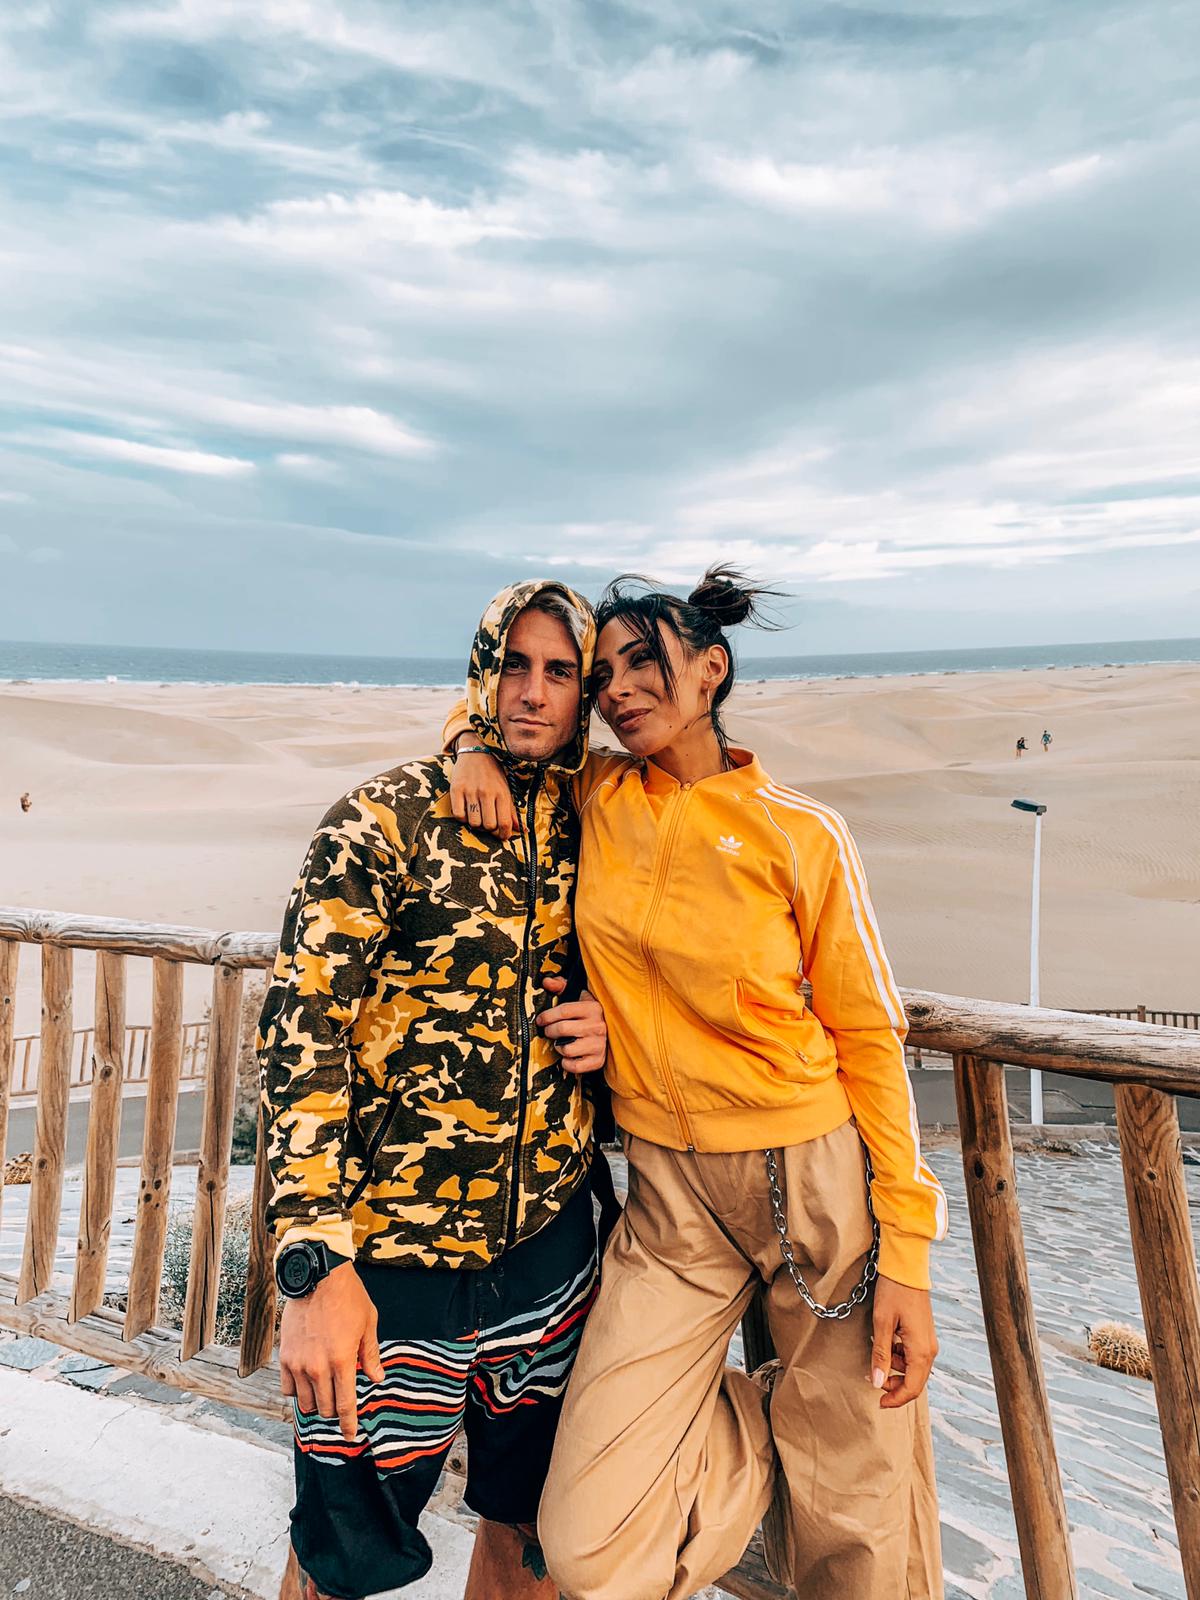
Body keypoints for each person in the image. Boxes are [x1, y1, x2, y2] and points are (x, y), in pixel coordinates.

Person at [447, 567, 948, 1600]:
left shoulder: (799, 831)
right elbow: (504, 716)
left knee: (856, 1534)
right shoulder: (596, 795)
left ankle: (823, 1434)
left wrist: (908, 1256)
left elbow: (870, 1036)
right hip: (671, 1204)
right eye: (603, 675)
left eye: (645, 661)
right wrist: (467, 749)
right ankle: (775, 1420)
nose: (618, 689)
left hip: (814, 1183)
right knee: (585, 1541)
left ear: (712, 669)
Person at [259, 580, 610, 1600]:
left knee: (533, 1530)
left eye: (560, 671)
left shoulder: (596, 828)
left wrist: (611, 1034)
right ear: (481, 672)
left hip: (548, 1258)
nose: (533, 692)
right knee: (341, 1558)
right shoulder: (386, 819)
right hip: (388, 1271)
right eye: (514, 665)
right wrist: (313, 1265)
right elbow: (302, 1034)